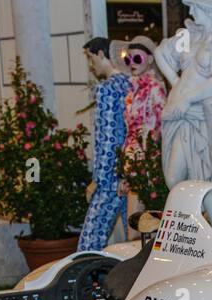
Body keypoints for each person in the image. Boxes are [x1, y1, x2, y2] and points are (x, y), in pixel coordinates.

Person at [155, 0, 212, 198]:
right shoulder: (191, 34)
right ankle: (191, 222)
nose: (191, 10)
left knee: (204, 181)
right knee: (174, 179)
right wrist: (177, 84)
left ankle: (202, 223)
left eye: (195, 5)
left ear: (208, 8)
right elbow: (161, 52)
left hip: (203, 117)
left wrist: (187, 98)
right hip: (179, 115)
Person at [78, 37, 132, 251]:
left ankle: (87, 282)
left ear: (102, 55)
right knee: (134, 239)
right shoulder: (130, 84)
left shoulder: (106, 89)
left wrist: (97, 180)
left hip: (110, 179)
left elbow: (108, 138)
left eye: (91, 59)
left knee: (89, 244)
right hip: (130, 175)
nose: (91, 65)